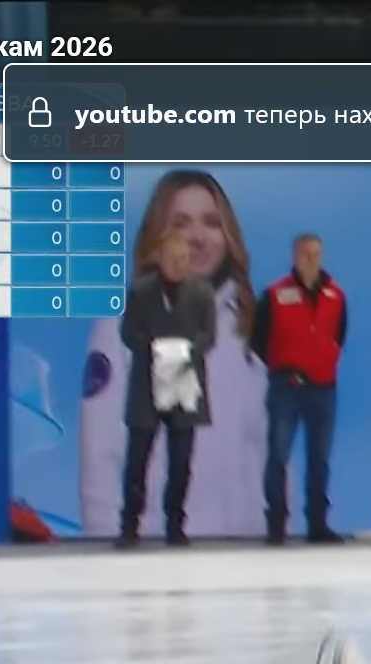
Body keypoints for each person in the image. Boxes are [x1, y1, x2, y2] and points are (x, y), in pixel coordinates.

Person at [83, 170, 269, 540]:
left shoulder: (249, 324)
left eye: (211, 223)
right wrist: (106, 549)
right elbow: (99, 454)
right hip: (156, 553)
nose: (198, 237)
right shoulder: (122, 321)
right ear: (159, 239)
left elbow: (268, 451)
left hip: (245, 551)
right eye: (181, 224)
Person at [114, 231, 216, 547]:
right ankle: (130, 525)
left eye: (184, 259)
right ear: (160, 259)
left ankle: (175, 525)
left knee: (181, 461)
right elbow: (128, 332)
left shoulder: (202, 293)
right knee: (138, 459)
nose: (180, 264)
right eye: (174, 259)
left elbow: (209, 335)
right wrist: (155, 349)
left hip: (184, 383)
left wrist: (186, 351)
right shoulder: (142, 292)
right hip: (147, 385)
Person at [254, 233, 349, 546]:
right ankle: (276, 524)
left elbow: (339, 334)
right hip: (287, 389)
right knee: (278, 455)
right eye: (306, 254)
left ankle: (318, 524)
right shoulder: (274, 294)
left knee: (319, 458)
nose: (312, 259)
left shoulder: (336, 296)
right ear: (295, 256)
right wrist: (282, 367)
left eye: (316, 254)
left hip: (324, 388)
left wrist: (325, 358)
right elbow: (258, 338)